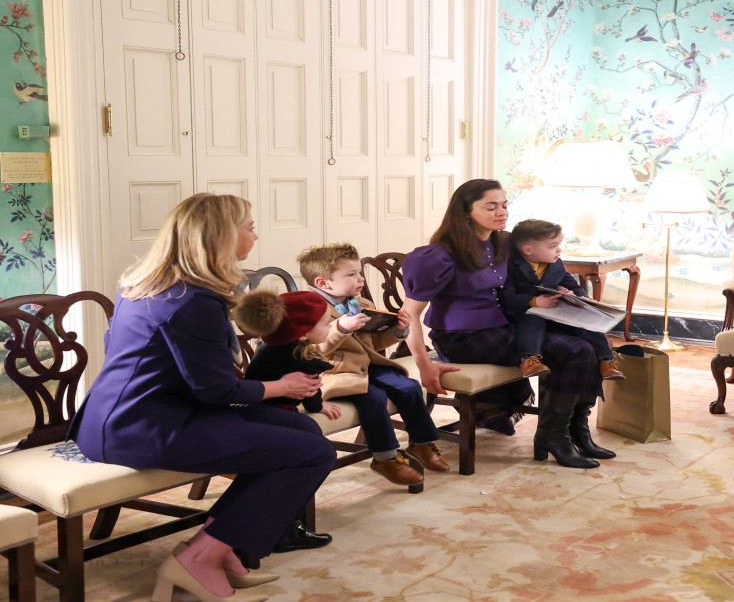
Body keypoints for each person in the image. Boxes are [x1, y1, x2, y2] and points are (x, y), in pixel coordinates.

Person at [69, 194, 336, 602]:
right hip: (142, 427)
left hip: (127, 415)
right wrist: (281, 387)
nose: (256, 235)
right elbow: (216, 390)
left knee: (302, 430)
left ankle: (219, 545)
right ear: (221, 237)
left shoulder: (152, 284)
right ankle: (200, 558)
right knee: (313, 453)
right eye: (249, 227)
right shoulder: (193, 301)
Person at [401, 179, 610, 469]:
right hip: (462, 337)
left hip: (502, 325)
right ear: (466, 212)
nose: (501, 212)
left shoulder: (503, 242)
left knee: (586, 344)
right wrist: (424, 364)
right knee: (572, 351)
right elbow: (408, 314)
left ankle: (575, 430)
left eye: (504, 205)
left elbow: (544, 265)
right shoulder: (439, 255)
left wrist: (568, 293)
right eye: (491, 207)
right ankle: (555, 436)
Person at [296, 242, 451, 481]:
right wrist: (340, 328)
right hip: (333, 374)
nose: (360, 279)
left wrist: (398, 330)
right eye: (351, 274)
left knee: (409, 387)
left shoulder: (361, 305)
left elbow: (372, 345)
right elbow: (310, 353)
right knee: (374, 398)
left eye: (360, 272)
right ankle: (385, 458)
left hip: (367, 367)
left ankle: (422, 443)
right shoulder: (309, 310)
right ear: (323, 283)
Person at [499, 218, 624, 381]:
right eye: (553, 246)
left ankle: (607, 361)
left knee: (587, 325)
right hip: (528, 310)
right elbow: (507, 297)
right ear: (528, 250)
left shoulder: (556, 263)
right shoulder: (510, 266)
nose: (559, 250)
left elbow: (571, 283)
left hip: (556, 310)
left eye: (559, 244)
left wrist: (583, 298)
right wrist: (535, 301)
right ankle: (530, 360)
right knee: (531, 323)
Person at [234, 290, 339, 419]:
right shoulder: (302, 360)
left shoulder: (268, 346)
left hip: (253, 403)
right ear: (303, 334)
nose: (330, 327)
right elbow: (310, 391)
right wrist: (319, 406)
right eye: (327, 323)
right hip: (276, 411)